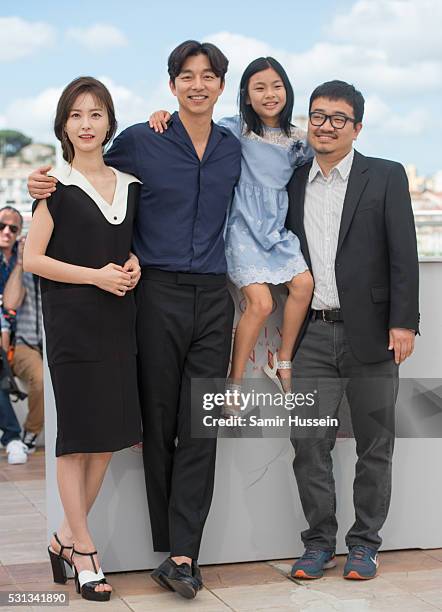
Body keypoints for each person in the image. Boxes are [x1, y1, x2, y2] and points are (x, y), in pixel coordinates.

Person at [28, 41, 241, 601]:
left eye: (209, 76)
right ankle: (120, 545)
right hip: (153, 298)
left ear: (221, 85)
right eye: (187, 76)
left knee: (201, 424)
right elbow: (83, 176)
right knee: (154, 423)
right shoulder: (143, 141)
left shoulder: (233, 146)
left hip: (214, 296)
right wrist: (37, 184)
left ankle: (183, 555)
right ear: (171, 85)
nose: (198, 85)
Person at [286, 80, 419, 581]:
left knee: (375, 444)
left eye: (338, 118)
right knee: (307, 446)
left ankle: (364, 544)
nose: (325, 125)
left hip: (374, 335)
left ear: (356, 127)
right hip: (312, 337)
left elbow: (404, 253)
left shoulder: (383, 175)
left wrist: (404, 321)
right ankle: (319, 543)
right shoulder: (294, 180)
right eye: (317, 116)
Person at [24, 76, 142, 602]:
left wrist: (132, 265)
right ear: (63, 125)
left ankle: (64, 538)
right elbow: (33, 260)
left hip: (120, 320)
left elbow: (129, 245)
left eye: (96, 114)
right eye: (76, 115)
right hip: (72, 322)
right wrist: (96, 275)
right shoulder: (53, 188)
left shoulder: (130, 184)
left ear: (109, 122)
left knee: (109, 437)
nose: (87, 124)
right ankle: (86, 552)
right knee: (75, 441)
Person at [149, 57, 314, 396]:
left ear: (288, 90)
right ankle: (234, 384)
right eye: (259, 88)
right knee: (262, 303)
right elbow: (191, 124)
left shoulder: (299, 140)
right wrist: (161, 114)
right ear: (245, 95)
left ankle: (283, 361)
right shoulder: (232, 128)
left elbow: (327, 160)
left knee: (304, 284)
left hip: (274, 229)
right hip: (240, 228)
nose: (270, 94)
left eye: (277, 86)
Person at [3, 237, 44, 454]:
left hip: (53, 344)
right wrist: (21, 262)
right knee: (40, 379)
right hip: (25, 345)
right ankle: (31, 432)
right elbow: (10, 303)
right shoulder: (22, 274)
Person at [0, 207, 29, 465]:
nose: (6, 232)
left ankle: (15, 437)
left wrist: (20, 261)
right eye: (1, 226)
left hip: (20, 342)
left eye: (13, 228)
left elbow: (14, 303)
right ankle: (12, 437)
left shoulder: (21, 263)